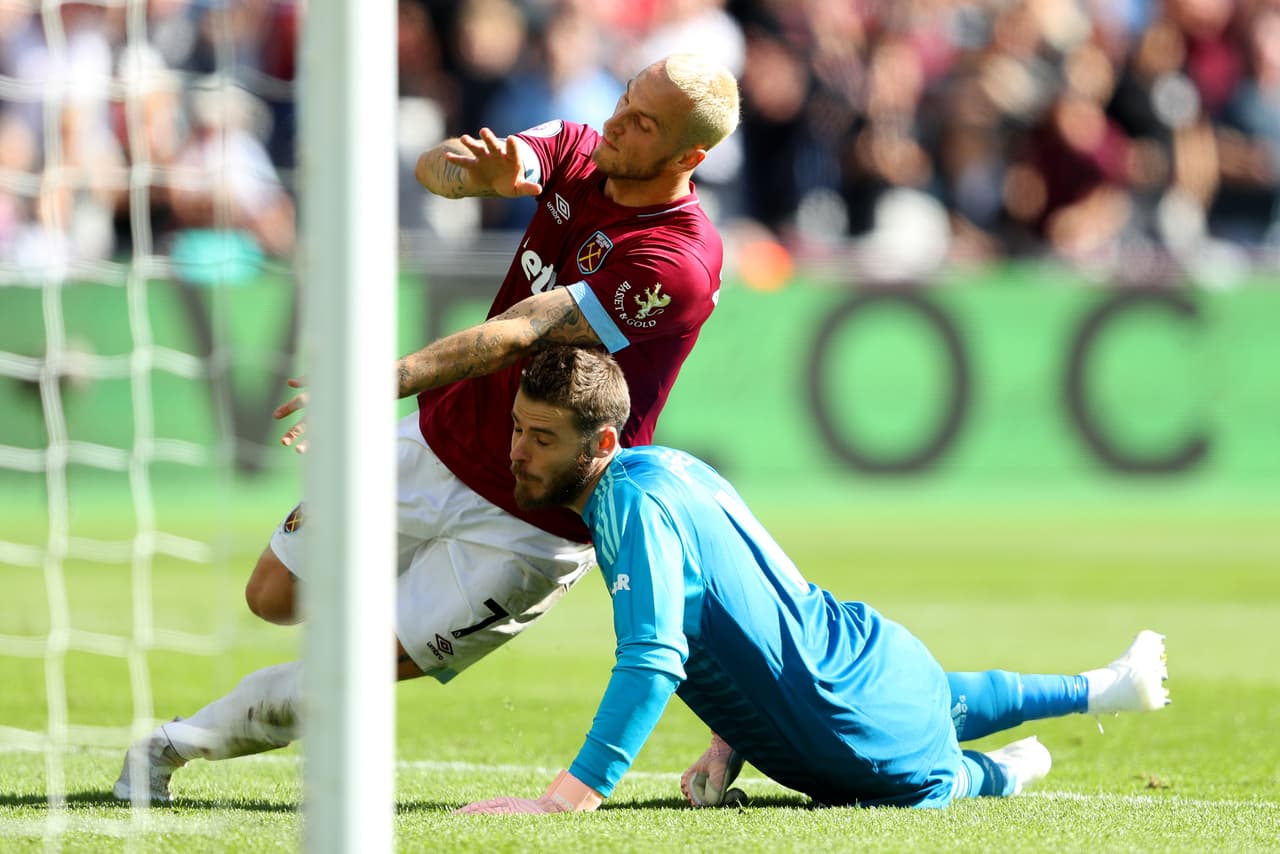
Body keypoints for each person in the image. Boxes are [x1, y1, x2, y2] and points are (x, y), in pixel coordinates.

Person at [113, 53, 741, 803]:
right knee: (273, 595)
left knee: (354, 668)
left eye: (642, 123)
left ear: (688, 156)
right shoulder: (575, 146)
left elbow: (522, 331)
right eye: (624, 100)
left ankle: (165, 750)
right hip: (437, 441)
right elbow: (433, 169)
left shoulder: (677, 260)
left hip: (531, 517)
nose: (616, 123)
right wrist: (471, 176)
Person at [455, 346, 1170, 814]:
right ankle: (1101, 686)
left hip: (850, 737)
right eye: (518, 429)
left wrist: (564, 802)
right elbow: (749, 605)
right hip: (873, 653)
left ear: (602, 442)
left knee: (937, 772)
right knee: (948, 695)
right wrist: (726, 740)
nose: (517, 452)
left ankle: (999, 774)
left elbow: (653, 660)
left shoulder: (628, 506)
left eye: (541, 438)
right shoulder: (670, 467)